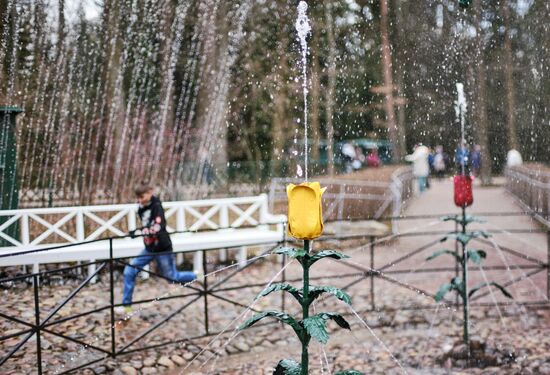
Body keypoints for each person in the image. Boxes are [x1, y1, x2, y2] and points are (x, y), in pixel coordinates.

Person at [116, 183, 198, 315]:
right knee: (129, 271)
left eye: (142, 196)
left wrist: (139, 232)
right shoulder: (141, 208)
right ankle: (127, 305)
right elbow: (146, 225)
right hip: (149, 248)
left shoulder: (157, 207)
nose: (140, 200)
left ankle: (195, 276)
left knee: (172, 277)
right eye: (138, 197)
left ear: (150, 193)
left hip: (162, 248)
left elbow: (157, 227)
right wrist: (138, 231)